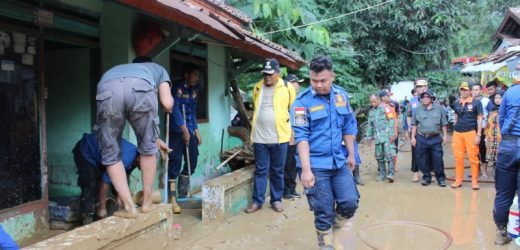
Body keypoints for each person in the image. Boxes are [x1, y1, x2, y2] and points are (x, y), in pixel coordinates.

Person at [291, 55, 359, 249]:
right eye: (314, 80)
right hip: (315, 165)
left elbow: (347, 127)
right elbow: (301, 137)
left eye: (323, 81)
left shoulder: (341, 96)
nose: (318, 85)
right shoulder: (301, 103)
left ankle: (334, 232)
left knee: (350, 203)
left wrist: (352, 155)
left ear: (332, 77)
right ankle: (325, 244)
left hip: (339, 161)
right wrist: (306, 170)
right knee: (323, 210)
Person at [95, 57, 174, 217]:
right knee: (147, 149)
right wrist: (170, 102)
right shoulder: (158, 69)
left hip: (106, 87)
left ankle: (129, 207)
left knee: (111, 154)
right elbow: (166, 103)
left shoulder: (118, 68)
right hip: (141, 87)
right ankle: (146, 202)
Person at [246, 58, 296, 213]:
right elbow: (256, 108)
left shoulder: (287, 88)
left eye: (270, 74)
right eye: (265, 74)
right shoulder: (257, 87)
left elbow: (294, 112)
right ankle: (257, 201)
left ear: (278, 73)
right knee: (260, 170)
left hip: (280, 137)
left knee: (277, 170)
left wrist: (293, 133)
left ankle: (276, 200)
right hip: (260, 137)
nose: (267, 77)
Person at [168, 64, 202, 211]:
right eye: (194, 75)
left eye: (198, 76)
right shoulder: (177, 88)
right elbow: (174, 108)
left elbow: (192, 112)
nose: (197, 78)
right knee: (174, 164)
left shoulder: (194, 90)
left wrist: (195, 130)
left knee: (192, 161)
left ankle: (182, 194)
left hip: (189, 129)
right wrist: (183, 129)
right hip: (176, 132)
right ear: (186, 75)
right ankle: (172, 197)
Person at [492, 78, 519, 245]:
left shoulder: (509, 92)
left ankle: (502, 233)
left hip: (508, 147)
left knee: (503, 193)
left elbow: (501, 120)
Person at [410, 90, 448, 187]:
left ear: (431, 98)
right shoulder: (418, 109)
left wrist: (445, 135)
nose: (425, 98)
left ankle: (440, 178)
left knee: (438, 159)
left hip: (435, 138)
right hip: (421, 137)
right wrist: (413, 137)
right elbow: (414, 124)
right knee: (422, 159)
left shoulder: (439, 109)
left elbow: (443, 123)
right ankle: (426, 177)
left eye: (427, 97)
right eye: (423, 97)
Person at [451, 82, 483, 190]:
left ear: (470, 91)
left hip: (470, 133)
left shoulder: (476, 103)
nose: (463, 92)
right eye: (461, 89)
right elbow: (455, 115)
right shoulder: (456, 103)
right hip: (457, 134)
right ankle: (458, 181)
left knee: (473, 158)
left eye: (465, 89)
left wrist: (478, 135)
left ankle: (474, 181)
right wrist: (455, 124)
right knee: (458, 158)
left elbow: (480, 119)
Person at [366, 92, 397, 182]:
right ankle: (382, 174)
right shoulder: (371, 112)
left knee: (389, 155)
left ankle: (391, 174)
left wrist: (392, 134)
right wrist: (369, 137)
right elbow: (370, 126)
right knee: (379, 156)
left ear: (379, 100)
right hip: (378, 138)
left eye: (374, 102)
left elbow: (391, 121)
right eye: (371, 102)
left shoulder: (386, 108)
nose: (372, 104)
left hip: (387, 136)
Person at [283, 74, 303, 200]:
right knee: (286, 165)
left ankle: (292, 188)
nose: (298, 85)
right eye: (296, 82)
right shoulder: (284, 99)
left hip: (296, 138)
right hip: (286, 138)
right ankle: (285, 191)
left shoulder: (299, 100)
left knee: (294, 165)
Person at [407, 79, 428, 182]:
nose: (419, 88)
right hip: (415, 131)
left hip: (428, 130)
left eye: (421, 86)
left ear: (426, 87)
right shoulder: (412, 101)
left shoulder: (432, 99)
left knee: (428, 152)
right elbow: (409, 115)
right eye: (418, 87)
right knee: (415, 152)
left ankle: (428, 172)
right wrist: (409, 129)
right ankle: (415, 173)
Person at [472, 83, 490, 179]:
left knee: (483, 150)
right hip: (471, 129)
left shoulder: (486, 101)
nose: (475, 91)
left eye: (477, 89)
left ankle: (484, 172)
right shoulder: (469, 101)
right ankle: (475, 170)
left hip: (483, 128)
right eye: (473, 89)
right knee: (473, 150)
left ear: (481, 91)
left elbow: (492, 113)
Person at [381, 86, 400, 172]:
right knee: (381, 151)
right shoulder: (377, 108)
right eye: (388, 96)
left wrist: (395, 133)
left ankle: (392, 168)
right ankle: (382, 169)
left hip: (391, 133)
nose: (390, 97)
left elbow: (395, 120)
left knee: (393, 150)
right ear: (383, 98)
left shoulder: (393, 105)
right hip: (381, 134)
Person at [485, 90, 504, 166]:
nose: (497, 99)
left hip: (501, 137)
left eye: (500, 98)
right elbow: (488, 124)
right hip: (492, 136)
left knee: (501, 156)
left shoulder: (505, 110)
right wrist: (486, 136)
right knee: (493, 157)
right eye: (496, 97)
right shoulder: (491, 110)